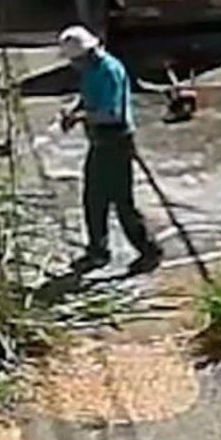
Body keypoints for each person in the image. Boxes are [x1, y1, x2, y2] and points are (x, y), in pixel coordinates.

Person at [57, 25, 162, 273]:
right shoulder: (90, 70)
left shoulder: (109, 72)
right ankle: (98, 250)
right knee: (94, 198)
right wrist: (74, 109)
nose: (74, 67)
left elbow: (111, 113)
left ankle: (149, 250)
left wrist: (80, 118)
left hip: (116, 142)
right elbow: (86, 97)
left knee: (122, 202)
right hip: (100, 143)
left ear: (87, 55)